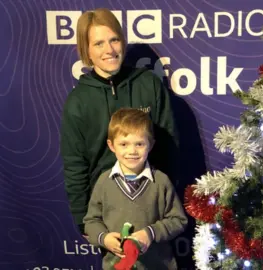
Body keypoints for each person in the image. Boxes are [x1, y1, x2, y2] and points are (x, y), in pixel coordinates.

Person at [60, 8, 178, 235]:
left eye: (114, 40)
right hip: (107, 212)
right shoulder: (78, 101)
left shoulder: (148, 84)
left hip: (152, 208)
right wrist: (83, 221)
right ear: (87, 50)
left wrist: (165, 201)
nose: (109, 50)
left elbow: (170, 147)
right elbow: (75, 166)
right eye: (99, 43)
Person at [83, 108, 187, 269]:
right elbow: (91, 221)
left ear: (150, 145)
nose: (132, 151)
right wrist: (104, 238)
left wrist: (151, 233)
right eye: (123, 144)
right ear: (111, 145)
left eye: (139, 144)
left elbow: (178, 220)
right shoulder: (104, 182)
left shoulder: (161, 181)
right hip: (115, 266)